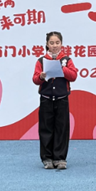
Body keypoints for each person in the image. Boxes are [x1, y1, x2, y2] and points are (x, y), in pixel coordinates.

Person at [32, 31, 78, 170]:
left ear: (61, 44)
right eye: (51, 43)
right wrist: (41, 76)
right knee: (46, 129)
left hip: (62, 99)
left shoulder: (66, 60)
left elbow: (73, 76)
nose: (54, 45)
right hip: (46, 99)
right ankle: (47, 158)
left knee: (61, 129)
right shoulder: (41, 61)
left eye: (57, 43)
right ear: (47, 44)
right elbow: (35, 79)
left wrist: (62, 68)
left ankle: (60, 158)